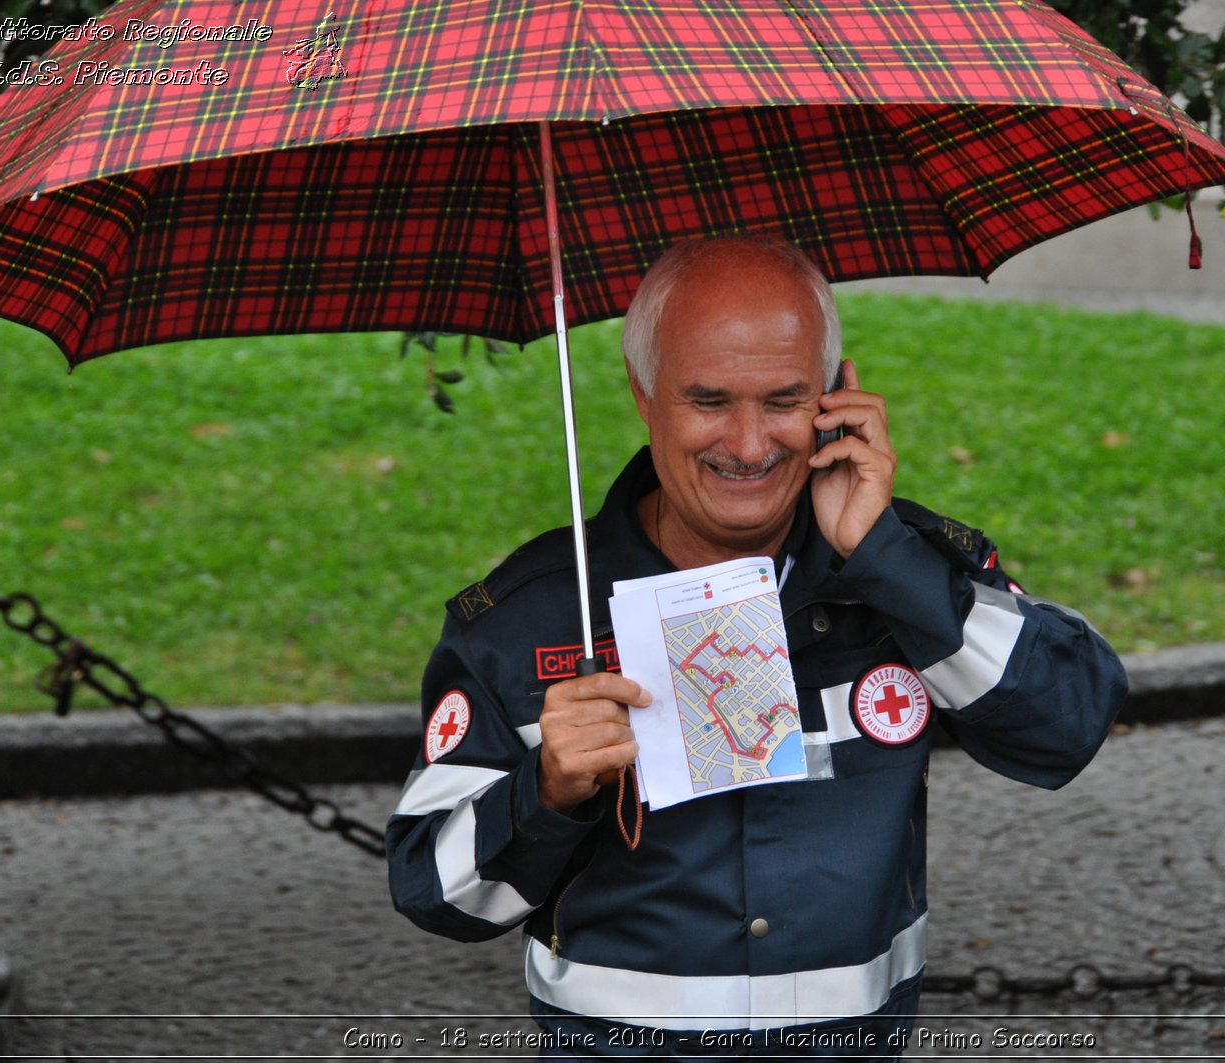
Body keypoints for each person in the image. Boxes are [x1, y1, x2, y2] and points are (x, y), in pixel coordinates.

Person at [386, 235, 1128, 1058]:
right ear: (642, 393)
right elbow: (432, 891)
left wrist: (884, 559)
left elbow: (1069, 723)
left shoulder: (906, 566)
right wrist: (547, 791)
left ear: (839, 395)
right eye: (709, 401)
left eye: (783, 400)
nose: (748, 445)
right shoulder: (526, 618)